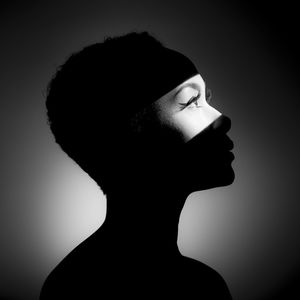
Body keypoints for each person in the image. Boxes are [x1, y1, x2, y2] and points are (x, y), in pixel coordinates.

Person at [40, 31, 235, 299]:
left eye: (207, 100)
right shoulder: (76, 289)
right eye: (191, 102)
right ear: (126, 136)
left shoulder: (70, 282)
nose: (222, 119)